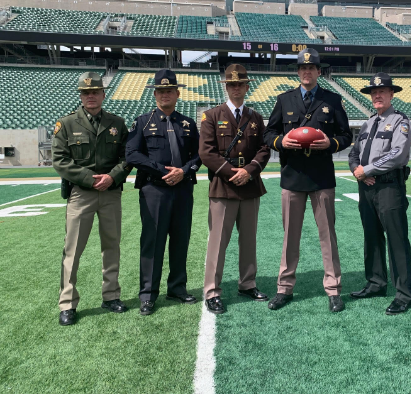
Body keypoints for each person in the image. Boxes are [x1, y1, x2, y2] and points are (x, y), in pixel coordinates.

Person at [263, 48, 352, 312]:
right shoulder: (284, 99)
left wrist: (331, 143)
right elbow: (269, 133)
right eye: (303, 68)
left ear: (318, 72)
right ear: (298, 72)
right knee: (290, 237)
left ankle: (334, 289)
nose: (307, 72)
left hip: (322, 177)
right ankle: (284, 288)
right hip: (292, 177)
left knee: (328, 236)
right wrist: (281, 142)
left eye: (312, 68)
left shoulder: (332, 100)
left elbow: (346, 135)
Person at [52, 71, 132, 326]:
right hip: (81, 193)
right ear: (81, 95)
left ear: (103, 94)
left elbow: (127, 157)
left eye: (95, 92)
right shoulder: (66, 124)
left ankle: (110, 296)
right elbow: (60, 161)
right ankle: (67, 303)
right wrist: (90, 178)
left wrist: (112, 177)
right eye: (86, 93)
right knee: (73, 250)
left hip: (110, 193)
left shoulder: (117, 124)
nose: (90, 96)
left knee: (111, 246)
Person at [125, 69, 201, 316]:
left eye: (169, 90)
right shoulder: (143, 121)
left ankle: (177, 288)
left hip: (182, 190)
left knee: (180, 240)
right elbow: (132, 154)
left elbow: (200, 155)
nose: (164, 94)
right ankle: (148, 294)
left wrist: (184, 171)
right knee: (153, 242)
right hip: (154, 190)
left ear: (177, 93)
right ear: (155, 94)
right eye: (160, 91)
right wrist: (161, 171)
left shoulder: (188, 124)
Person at [199, 64, 271, 314]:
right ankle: (212, 290)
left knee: (249, 240)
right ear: (226, 87)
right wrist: (233, 173)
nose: (236, 88)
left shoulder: (256, 117)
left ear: (247, 87)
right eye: (232, 84)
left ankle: (247, 283)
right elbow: (206, 153)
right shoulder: (211, 116)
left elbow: (264, 149)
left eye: (240, 84)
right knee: (218, 242)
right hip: (223, 187)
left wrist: (249, 171)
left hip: (250, 186)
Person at [348, 73, 411, 315]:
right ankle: (376, 283)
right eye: (373, 92)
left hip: (389, 187)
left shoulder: (400, 121)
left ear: (391, 94)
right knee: (372, 237)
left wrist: (368, 169)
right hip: (366, 187)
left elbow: (398, 154)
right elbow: (354, 153)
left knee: (396, 239)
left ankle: (403, 293)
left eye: (382, 91)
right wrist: (358, 171)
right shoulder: (367, 123)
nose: (377, 95)